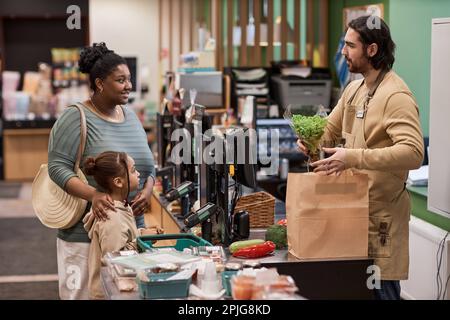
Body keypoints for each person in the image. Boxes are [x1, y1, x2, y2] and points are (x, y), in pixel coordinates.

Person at [297, 16, 424, 300]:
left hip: (381, 220)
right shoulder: (354, 89)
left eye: (349, 45)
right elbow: (328, 130)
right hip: (350, 213)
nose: (343, 52)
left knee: (380, 293)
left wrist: (352, 157)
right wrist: (310, 140)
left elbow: (414, 152)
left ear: (372, 50)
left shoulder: (396, 95)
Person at [48, 42, 156, 299]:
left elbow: (149, 167)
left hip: (129, 233)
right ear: (99, 84)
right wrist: (93, 195)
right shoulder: (76, 117)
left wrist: (148, 189)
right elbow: (57, 167)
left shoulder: (131, 117)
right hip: (83, 238)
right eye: (120, 80)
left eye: (129, 79)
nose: (128, 85)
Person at [82, 151, 162, 299]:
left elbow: (123, 239)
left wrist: (142, 233)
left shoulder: (122, 208)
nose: (138, 174)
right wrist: (141, 241)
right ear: (118, 182)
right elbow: (116, 261)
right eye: (133, 171)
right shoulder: (112, 218)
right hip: (111, 293)